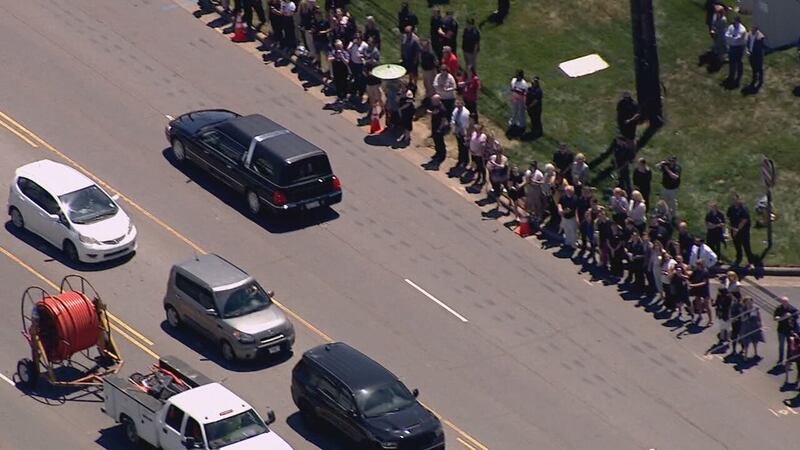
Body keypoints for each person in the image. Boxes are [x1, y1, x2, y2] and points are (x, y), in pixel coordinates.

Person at [727, 193, 755, 267]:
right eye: (732, 200)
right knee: (737, 246)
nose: (734, 201)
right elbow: (729, 219)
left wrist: (737, 229)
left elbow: (744, 220)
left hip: (743, 232)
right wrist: (731, 230)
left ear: (738, 199)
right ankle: (738, 260)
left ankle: (750, 262)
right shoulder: (731, 209)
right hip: (734, 231)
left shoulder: (743, 208)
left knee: (746, 247)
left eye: (735, 199)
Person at [773, 297, 798, 366]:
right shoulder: (778, 309)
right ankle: (780, 359)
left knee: (790, 346)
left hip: (789, 330)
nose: (784, 303)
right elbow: (775, 318)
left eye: (785, 302)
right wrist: (784, 317)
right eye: (783, 302)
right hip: (781, 330)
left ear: (788, 302)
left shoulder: (792, 309)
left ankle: (789, 359)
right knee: (781, 345)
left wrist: (790, 317)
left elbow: (795, 319)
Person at [725, 16, 747, 88]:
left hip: (739, 47)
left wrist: (731, 37)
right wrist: (731, 37)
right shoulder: (731, 26)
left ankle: (739, 76)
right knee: (731, 61)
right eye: (733, 21)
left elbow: (737, 38)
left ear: (739, 22)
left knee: (738, 61)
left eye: (735, 22)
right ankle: (731, 75)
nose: (734, 23)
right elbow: (726, 34)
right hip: (732, 46)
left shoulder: (742, 30)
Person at [689, 259, 712, 324]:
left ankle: (710, 320)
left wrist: (693, 285)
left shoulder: (705, 272)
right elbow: (690, 278)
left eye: (699, 264)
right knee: (698, 303)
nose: (697, 266)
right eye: (697, 264)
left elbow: (704, 282)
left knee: (706, 305)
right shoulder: (696, 271)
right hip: (697, 290)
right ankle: (699, 315)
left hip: (704, 290)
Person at [428, 95, 449, 166]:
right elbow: (433, 111)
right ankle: (437, 153)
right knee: (435, 140)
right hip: (434, 125)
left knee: (440, 141)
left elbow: (444, 120)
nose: (432, 101)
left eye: (433, 100)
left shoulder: (442, 108)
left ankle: (442, 155)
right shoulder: (435, 106)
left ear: (437, 100)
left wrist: (440, 128)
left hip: (439, 127)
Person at [524, 167, 547, 233]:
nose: (531, 169)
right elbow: (526, 180)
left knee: (537, 203)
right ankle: (533, 215)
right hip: (530, 187)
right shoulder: (529, 172)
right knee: (531, 202)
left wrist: (535, 181)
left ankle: (539, 216)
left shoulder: (539, 174)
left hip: (536, 188)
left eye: (532, 167)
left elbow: (542, 182)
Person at [347, 34, 368, 102]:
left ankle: (361, 92)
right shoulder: (353, 43)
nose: (357, 39)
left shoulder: (364, 45)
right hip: (353, 63)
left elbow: (367, 55)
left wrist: (361, 55)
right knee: (355, 78)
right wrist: (353, 43)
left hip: (360, 65)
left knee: (361, 79)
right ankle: (354, 91)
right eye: (356, 38)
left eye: (358, 38)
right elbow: (348, 49)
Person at [451, 100, 471, 168]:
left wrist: (465, 134)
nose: (457, 106)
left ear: (462, 104)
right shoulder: (456, 110)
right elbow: (453, 118)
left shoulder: (466, 113)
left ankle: (465, 161)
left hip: (463, 132)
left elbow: (466, 124)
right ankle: (460, 160)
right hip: (457, 130)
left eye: (459, 104)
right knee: (460, 146)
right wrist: (454, 127)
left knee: (464, 148)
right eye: (457, 104)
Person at [558, 185, 579, 249]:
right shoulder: (563, 197)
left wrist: (563, 212)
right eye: (567, 191)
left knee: (573, 231)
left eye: (570, 191)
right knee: (566, 230)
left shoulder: (575, 198)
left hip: (572, 217)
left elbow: (572, 209)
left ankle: (573, 244)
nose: (568, 192)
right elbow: (559, 203)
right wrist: (560, 209)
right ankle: (567, 242)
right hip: (564, 217)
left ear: (573, 192)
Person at [746, 26, 765, 91]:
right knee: (753, 68)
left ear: (756, 30)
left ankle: (760, 80)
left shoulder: (760, 37)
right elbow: (748, 42)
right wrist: (748, 50)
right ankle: (754, 79)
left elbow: (759, 48)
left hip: (757, 56)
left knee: (759, 68)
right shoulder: (750, 34)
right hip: (751, 54)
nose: (752, 30)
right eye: (752, 29)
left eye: (754, 29)